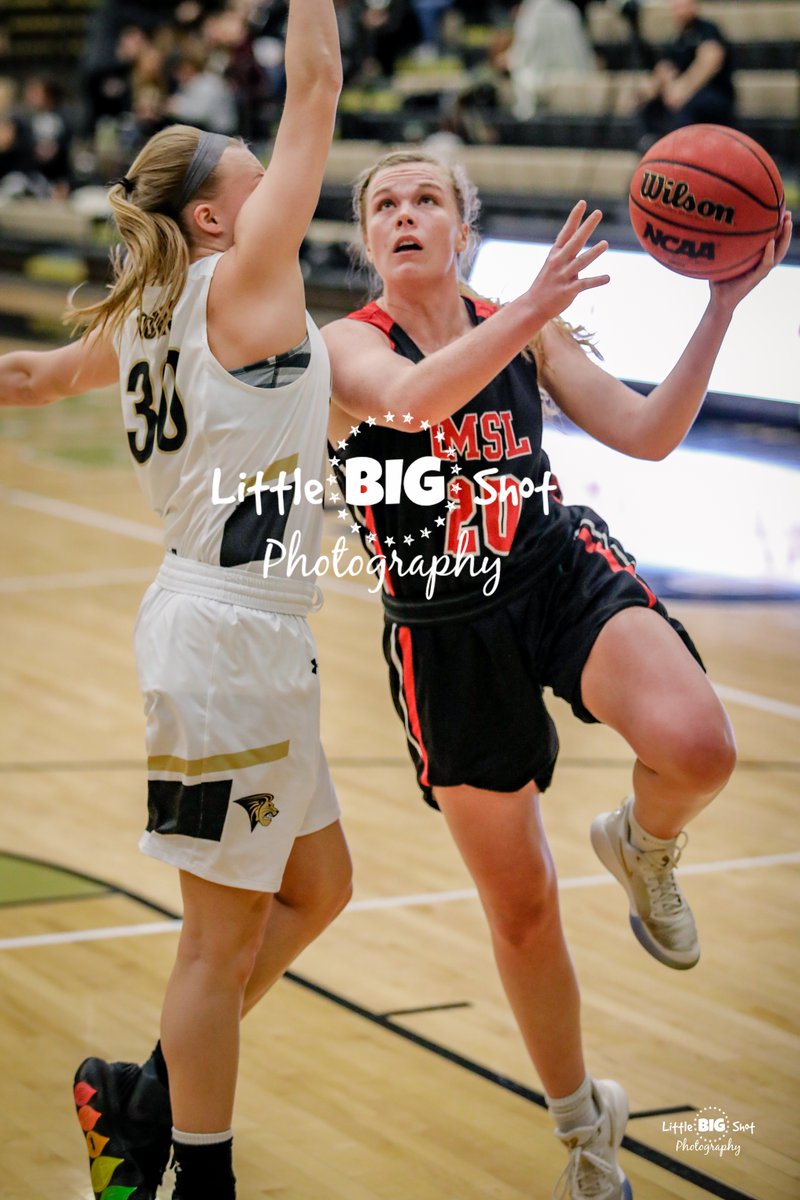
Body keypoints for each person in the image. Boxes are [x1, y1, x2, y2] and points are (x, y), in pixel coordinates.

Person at [321, 148, 792, 1199]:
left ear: (459, 227)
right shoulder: (343, 352)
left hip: (548, 569)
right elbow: (407, 405)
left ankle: (642, 843)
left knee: (698, 747)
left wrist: (718, 306)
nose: (405, 215)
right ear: (367, 241)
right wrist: (526, 312)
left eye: (426, 200)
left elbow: (645, 433)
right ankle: (582, 1126)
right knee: (523, 907)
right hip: (442, 626)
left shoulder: (521, 327)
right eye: (384, 205)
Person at [0, 3, 350, 1199]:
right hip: (228, 632)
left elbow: (35, 378)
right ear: (215, 217)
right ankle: (198, 1172)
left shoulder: (155, 305)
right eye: (255, 177)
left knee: (320, 888)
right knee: (217, 943)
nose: (277, 182)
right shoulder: (241, 279)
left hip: (242, 629)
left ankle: (146, 1092)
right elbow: (316, 84)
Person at [637, 0, 735, 150]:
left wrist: (684, 89)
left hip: (714, 93)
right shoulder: (677, 37)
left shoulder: (707, 29)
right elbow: (665, 67)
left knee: (687, 106)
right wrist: (654, 87)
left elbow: (711, 59)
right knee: (648, 102)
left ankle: (683, 151)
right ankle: (651, 146)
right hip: (684, 92)